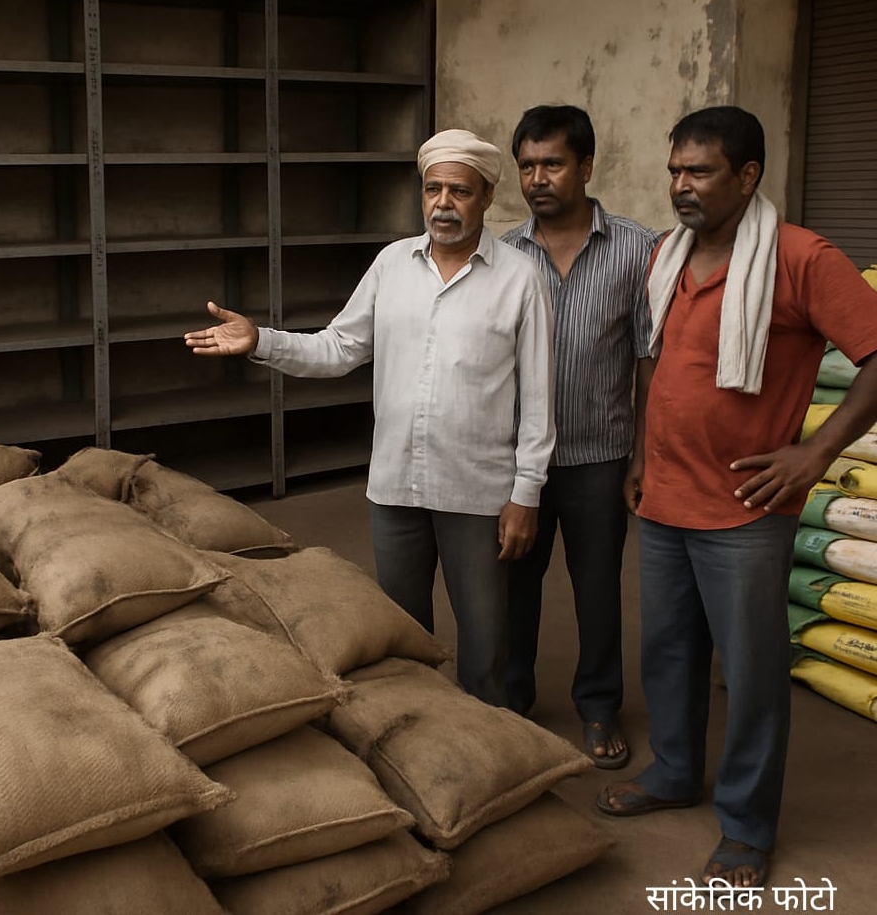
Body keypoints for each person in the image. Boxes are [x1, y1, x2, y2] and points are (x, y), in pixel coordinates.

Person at [596, 106, 877, 889]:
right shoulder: (666, 255)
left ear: (747, 176)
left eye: (701, 172)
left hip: (748, 508)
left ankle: (748, 828)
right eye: (675, 170)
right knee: (669, 651)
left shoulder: (802, 258)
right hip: (665, 496)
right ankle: (676, 772)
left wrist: (816, 453)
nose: (681, 186)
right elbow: (654, 361)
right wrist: (640, 455)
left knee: (752, 674)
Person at [184, 128, 556, 707]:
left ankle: (493, 756)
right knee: (402, 640)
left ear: (486, 197)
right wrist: (262, 341)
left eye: (459, 191)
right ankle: (419, 742)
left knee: (486, 650)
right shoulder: (392, 265)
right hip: (396, 491)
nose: (443, 204)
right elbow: (338, 349)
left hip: (478, 495)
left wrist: (526, 494)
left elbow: (537, 399)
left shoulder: (520, 279)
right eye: (432, 189)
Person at [500, 104, 656, 768]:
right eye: (528, 165)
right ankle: (509, 702)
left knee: (597, 589)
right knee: (511, 586)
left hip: (599, 456)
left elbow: (650, 358)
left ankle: (598, 704)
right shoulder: (502, 254)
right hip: (518, 466)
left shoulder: (636, 248)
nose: (539, 178)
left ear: (586, 166)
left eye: (553, 163)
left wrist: (641, 455)